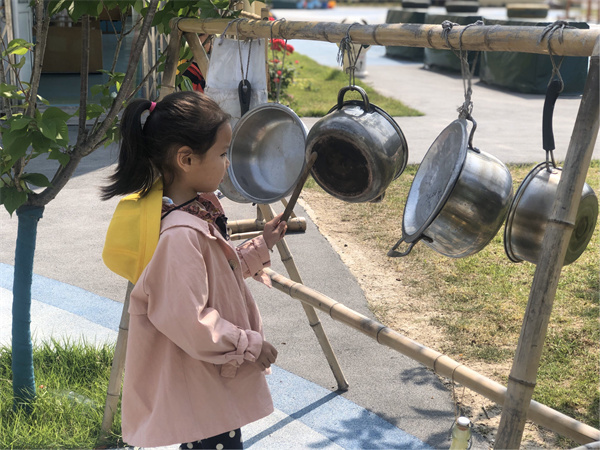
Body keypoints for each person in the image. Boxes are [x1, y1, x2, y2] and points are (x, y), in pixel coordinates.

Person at [100, 91, 287, 449]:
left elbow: (216, 276)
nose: (227, 163)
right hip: (202, 386)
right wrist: (249, 344)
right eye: (222, 153)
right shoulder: (180, 234)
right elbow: (188, 319)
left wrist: (262, 246)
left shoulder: (192, 213)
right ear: (186, 159)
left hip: (204, 379)